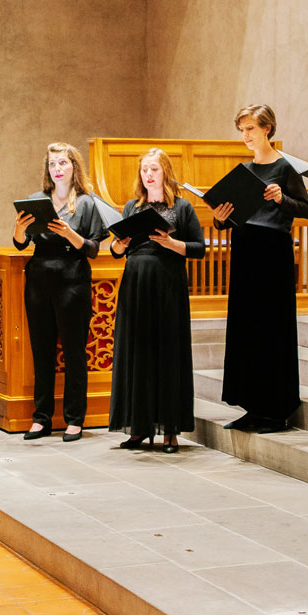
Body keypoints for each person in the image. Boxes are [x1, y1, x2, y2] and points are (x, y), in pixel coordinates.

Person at [213, 105, 308, 433]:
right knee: (246, 330)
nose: (245, 135)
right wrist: (220, 216)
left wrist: (282, 198)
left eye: (251, 129)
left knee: (272, 329)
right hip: (245, 249)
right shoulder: (243, 169)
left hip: (272, 253)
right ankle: (252, 406)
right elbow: (227, 217)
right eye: (241, 129)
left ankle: (276, 410)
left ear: (267, 129)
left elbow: (307, 210)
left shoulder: (285, 168)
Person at [108, 149, 206, 453]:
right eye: (144, 170)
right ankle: (137, 428)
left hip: (167, 284)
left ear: (165, 172)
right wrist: (118, 243)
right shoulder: (131, 207)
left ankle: (170, 431)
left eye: (154, 169)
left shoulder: (182, 207)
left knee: (167, 352)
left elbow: (199, 249)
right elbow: (115, 250)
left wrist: (170, 242)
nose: (148, 175)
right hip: (135, 284)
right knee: (136, 352)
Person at [13, 143, 109, 442]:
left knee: (73, 352)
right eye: (53, 163)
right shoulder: (36, 199)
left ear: (73, 167)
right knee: (41, 352)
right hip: (39, 278)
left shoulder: (87, 203)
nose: (57, 168)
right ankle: (41, 419)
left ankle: (74, 419)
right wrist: (19, 229)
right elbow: (19, 244)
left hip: (73, 279)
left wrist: (70, 234)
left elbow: (93, 249)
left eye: (63, 163)